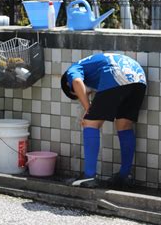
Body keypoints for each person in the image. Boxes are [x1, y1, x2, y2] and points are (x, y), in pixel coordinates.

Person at [60, 53, 146, 188]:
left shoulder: (73, 69)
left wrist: (88, 108)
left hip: (115, 73)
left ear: (67, 83)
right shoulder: (91, 66)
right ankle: (124, 176)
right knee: (124, 125)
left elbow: (77, 82)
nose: (87, 93)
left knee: (90, 123)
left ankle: (89, 176)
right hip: (138, 77)